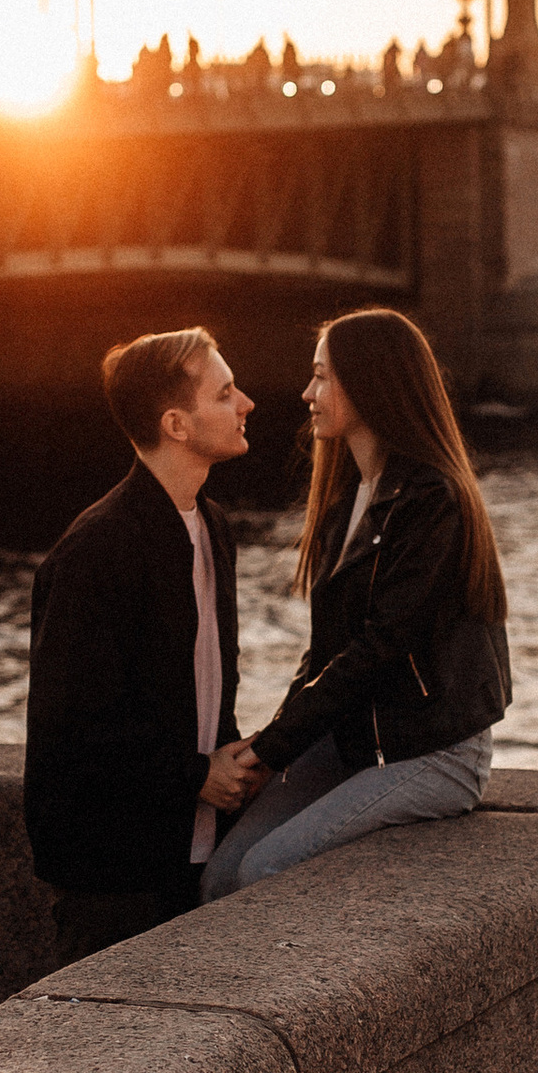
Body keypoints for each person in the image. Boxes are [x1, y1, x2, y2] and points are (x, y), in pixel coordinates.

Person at [203, 306, 510, 896]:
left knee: (263, 873)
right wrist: (269, 745)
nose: (306, 392)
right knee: (220, 876)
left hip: (432, 752)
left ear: (370, 384)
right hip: (358, 739)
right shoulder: (348, 497)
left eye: (322, 377)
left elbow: (381, 649)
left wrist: (274, 748)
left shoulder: (431, 500)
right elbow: (326, 654)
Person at [25, 328, 261, 959]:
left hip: (195, 853)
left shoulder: (212, 526)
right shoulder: (94, 553)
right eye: (226, 393)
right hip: (116, 876)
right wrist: (194, 776)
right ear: (176, 424)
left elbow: (207, 687)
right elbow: (71, 732)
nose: (247, 404)